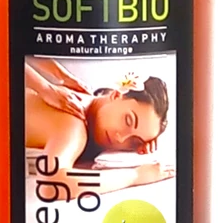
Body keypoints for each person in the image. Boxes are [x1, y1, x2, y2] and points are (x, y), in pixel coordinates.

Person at [25, 59, 174, 200]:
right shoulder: (74, 123)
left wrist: (139, 146)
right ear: (116, 95)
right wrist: (135, 176)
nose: (120, 138)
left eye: (134, 140)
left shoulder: (87, 102)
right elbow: (51, 184)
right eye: (128, 120)